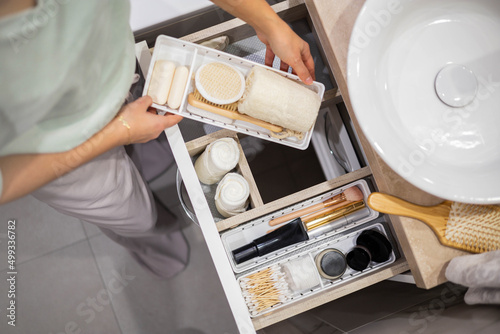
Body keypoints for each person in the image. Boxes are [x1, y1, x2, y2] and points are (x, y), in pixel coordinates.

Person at [0, 0, 316, 278]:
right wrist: (119, 132)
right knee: (137, 219)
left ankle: (141, 156)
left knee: (157, 146)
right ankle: (149, 242)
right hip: (59, 156)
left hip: (121, 74)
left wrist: (266, 21)